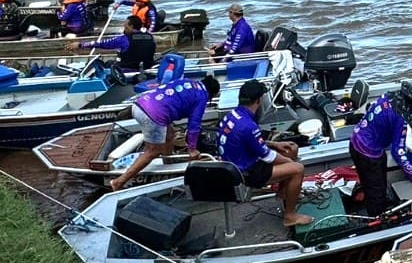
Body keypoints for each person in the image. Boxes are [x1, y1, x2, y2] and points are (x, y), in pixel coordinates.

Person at [216, 79, 312, 227]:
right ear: (259, 100)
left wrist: (275, 144)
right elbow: (267, 156)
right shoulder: (248, 125)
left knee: (290, 148)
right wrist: (290, 163)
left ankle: (283, 193)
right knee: (298, 169)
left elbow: (248, 142)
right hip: (247, 173)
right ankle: (290, 216)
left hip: (237, 163)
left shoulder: (232, 115)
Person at [108, 75, 221, 192]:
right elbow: (194, 125)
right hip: (154, 115)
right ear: (211, 94)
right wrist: (192, 149)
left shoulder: (188, 82)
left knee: (170, 134)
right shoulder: (202, 96)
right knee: (153, 151)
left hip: (140, 104)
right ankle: (119, 182)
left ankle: (168, 162)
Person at [349, 80, 412, 216]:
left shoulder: (389, 96)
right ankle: (377, 219)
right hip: (368, 152)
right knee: (375, 189)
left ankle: (380, 199)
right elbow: (398, 151)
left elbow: (387, 119)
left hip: (357, 138)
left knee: (375, 178)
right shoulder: (400, 118)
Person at [70, 15, 157, 72]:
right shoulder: (150, 37)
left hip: (127, 70)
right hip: (147, 69)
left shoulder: (124, 39)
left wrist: (81, 44)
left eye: (125, 27)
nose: (124, 29)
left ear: (131, 26)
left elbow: (102, 44)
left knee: (104, 64)